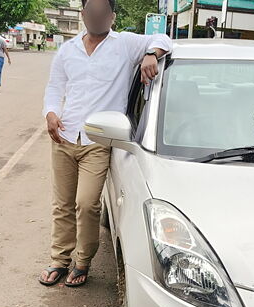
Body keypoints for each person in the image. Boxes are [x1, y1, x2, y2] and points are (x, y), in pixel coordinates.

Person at [39, 0, 172, 287]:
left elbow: (163, 38)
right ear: (84, 15)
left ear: (111, 16)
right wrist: (50, 112)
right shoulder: (67, 50)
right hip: (64, 136)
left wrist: (151, 54)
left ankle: (83, 260)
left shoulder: (124, 45)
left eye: (103, 13)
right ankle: (60, 259)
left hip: (97, 140)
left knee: (86, 204)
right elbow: (54, 87)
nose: (97, 18)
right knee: (62, 204)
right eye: (91, 13)